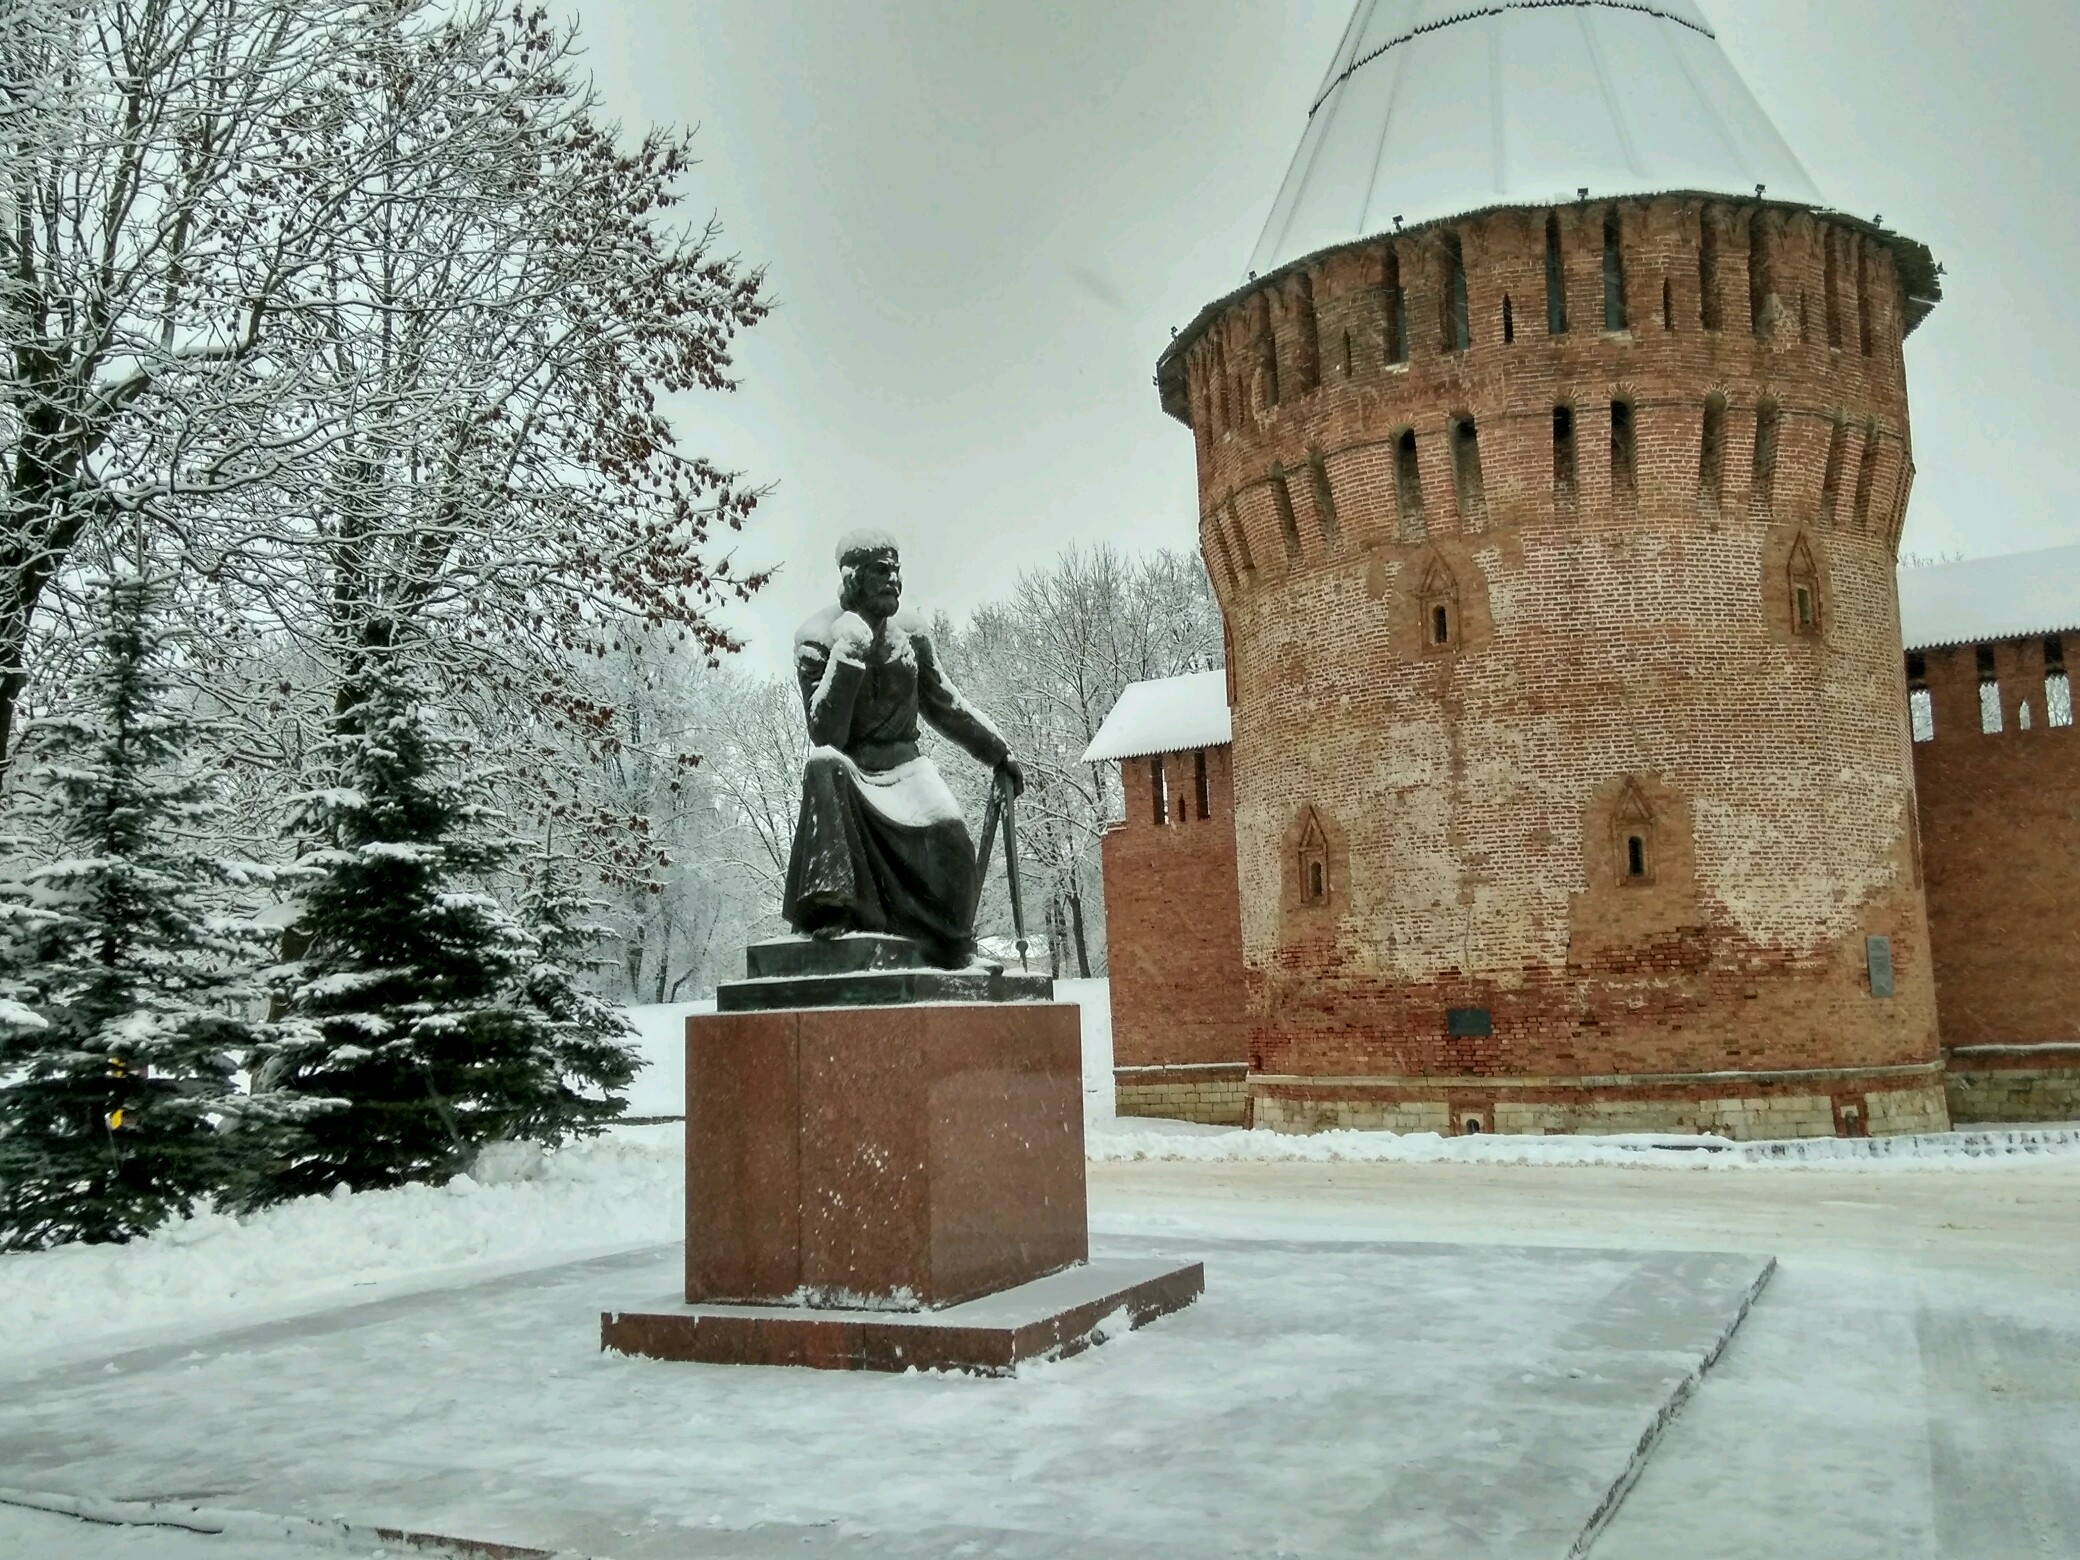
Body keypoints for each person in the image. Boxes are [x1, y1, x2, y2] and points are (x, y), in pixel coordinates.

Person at [782, 530, 1025, 968]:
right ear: (853, 578)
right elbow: (825, 734)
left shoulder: (911, 635)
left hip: (907, 769)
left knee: (953, 839)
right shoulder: (816, 640)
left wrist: (997, 752)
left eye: (896, 570)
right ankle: (835, 908)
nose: (893, 580)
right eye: (881, 571)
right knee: (822, 765)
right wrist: (849, 651)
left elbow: (944, 702)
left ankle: (951, 946)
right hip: (852, 774)